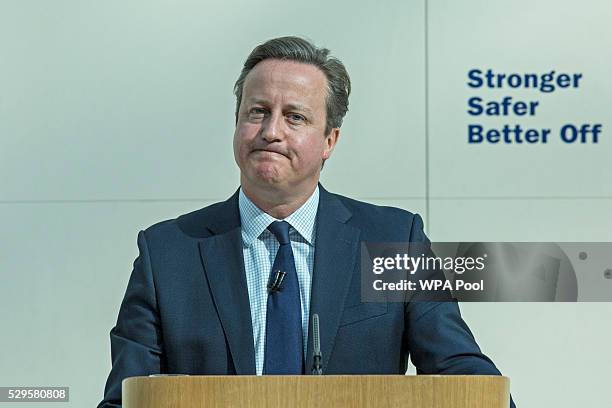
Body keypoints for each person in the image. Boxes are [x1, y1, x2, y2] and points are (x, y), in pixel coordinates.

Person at [98, 36, 515, 407]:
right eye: (257, 112)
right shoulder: (169, 251)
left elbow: (460, 372)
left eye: (294, 117)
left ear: (329, 140)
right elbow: (126, 397)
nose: (271, 131)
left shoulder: (393, 240)